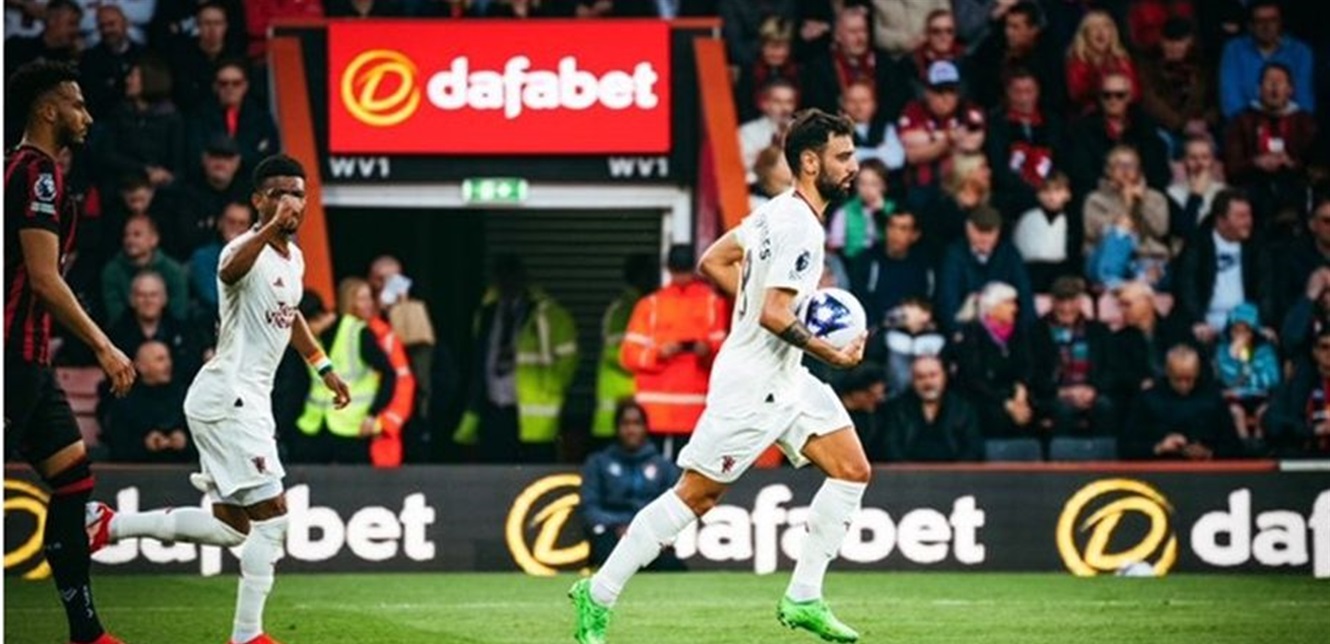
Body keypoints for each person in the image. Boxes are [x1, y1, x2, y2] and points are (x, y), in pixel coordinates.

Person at [569, 109, 869, 644]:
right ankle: (599, 592)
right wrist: (833, 354)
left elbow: (713, 260)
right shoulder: (800, 227)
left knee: (851, 469)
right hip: (754, 383)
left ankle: (804, 597)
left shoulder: (775, 211)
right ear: (809, 161)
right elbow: (774, 314)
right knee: (696, 496)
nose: (853, 166)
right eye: (843, 156)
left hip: (785, 374)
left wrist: (753, 304)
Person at [85, 154, 352, 644]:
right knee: (274, 521)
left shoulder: (293, 258)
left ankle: (111, 524)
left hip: (242, 401)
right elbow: (230, 273)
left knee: (234, 529)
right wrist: (267, 227)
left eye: (298, 194)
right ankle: (247, 635)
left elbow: (290, 312)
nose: (291, 203)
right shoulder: (241, 250)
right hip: (230, 397)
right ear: (258, 200)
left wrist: (324, 367)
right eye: (279, 193)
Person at [5, 59, 136, 644]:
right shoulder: (37, 173)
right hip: (11, 357)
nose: (87, 115)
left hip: (31, 360)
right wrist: (104, 346)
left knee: (74, 482)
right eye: (76, 104)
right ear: (47, 109)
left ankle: (87, 633)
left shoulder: (19, 170)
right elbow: (43, 279)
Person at [454, 255, 578, 463]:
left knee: (533, 470)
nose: (507, 284)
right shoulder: (487, 314)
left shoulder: (546, 314)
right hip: (494, 409)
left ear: (523, 279)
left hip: (532, 410)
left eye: (512, 278)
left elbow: (568, 360)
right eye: (502, 279)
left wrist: (552, 391)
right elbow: (479, 361)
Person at [621, 244, 729, 456]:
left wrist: (705, 352)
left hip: (693, 411)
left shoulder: (713, 304)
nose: (682, 277)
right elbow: (628, 356)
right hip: (655, 412)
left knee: (683, 467)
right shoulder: (650, 305)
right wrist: (659, 354)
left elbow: (724, 357)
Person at [295, 277, 400, 465]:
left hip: (353, 429)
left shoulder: (357, 332)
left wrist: (373, 414)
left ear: (315, 319)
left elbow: (389, 374)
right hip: (314, 426)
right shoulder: (313, 339)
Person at [580, 400, 683, 569]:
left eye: (637, 424)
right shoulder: (599, 463)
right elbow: (589, 508)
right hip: (612, 534)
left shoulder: (663, 467)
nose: (631, 430)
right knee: (606, 552)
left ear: (645, 428)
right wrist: (620, 526)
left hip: (650, 536)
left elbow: (672, 509)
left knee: (674, 567)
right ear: (617, 428)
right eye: (625, 424)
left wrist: (641, 530)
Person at [1122, 345, 1237, 460]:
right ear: (1168, 372)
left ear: (1197, 372)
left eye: (1189, 379)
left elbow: (1234, 447)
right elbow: (1126, 448)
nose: (1184, 385)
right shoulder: (1148, 400)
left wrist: (1208, 453)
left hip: (1205, 468)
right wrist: (1159, 447)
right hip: (1161, 465)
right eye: (1177, 379)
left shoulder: (1212, 399)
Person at [592, 254, 658, 442]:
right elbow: (617, 353)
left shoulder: (638, 307)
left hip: (629, 409)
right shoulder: (625, 310)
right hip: (618, 408)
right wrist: (657, 358)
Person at [878, 355, 982, 462]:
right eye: (920, 377)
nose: (927, 382)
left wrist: (957, 471)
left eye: (933, 375)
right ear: (912, 380)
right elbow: (891, 447)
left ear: (944, 376)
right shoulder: (896, 409)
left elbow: (972, 448)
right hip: (907, 470)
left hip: (955, 470)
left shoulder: (963, 409)